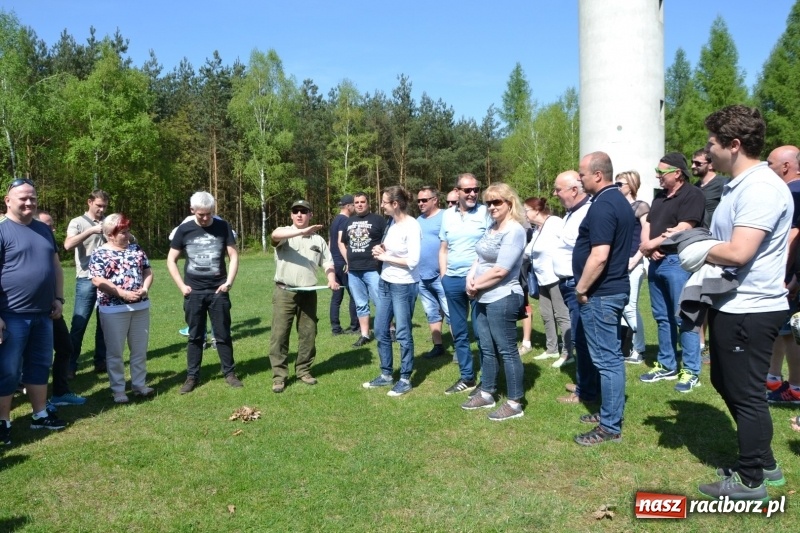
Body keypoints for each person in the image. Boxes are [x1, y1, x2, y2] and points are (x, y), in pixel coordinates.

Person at [698, 105, 792, 500]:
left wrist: (697, 247)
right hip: (732, 303)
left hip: (752, 308)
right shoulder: (741, 185)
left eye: (712, 143)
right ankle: (765, 462)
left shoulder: (761, 188)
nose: (707, 150)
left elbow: (739, 252)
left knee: (747, 393)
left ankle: (752, 479)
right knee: (726, 381)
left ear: (734, 145)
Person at [572, 152, 634, 446]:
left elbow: (599, 256)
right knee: (608, 358)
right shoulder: (617, 201)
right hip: (612, 289)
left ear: (598, 175)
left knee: (608, 361)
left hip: (601, 293)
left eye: (582, 174)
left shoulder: (604, 206)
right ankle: (608, 413)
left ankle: (610, 426)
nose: (580, 179)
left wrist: (582, 289)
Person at [0, 179, 67, 446]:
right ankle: (3, 422)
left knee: (40, 366)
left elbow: (56, 266)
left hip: (43, 313)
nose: (29, 203)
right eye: (22, 198)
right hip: (11, 314)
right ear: (7, 200)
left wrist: (59, 298)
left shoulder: (43, 229)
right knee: (7, 371)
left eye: (33, 198)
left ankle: (39, 415)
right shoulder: (2, 230)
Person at [459, 183, 527, 420]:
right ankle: (487, 392)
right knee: (486, 348)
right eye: (488, 202)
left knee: (507, 350)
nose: (491, 207)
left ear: (510, 203)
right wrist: (470, 278)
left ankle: (515, 402)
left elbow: (501, 270)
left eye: (497, 202)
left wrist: (476, 285)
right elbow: (479, 258)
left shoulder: (514, 231)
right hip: (483, 295)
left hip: (503, 296)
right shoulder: (493, 227)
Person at [638, 152, 705, 392]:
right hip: (656, 262)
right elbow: (647, 223)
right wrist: (649, 248)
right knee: (662, 316)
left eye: (662, 173)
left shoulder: (693, 194)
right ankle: (667, 365)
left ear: (677, 173)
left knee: (683, 316)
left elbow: (684, 228)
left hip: (678, 262)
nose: (658, 177)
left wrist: (653, 244)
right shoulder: (660, 198)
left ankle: (691, 370)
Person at [167, 191, 241, 394]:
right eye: (201, 215)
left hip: (219, 291)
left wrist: (228, 282)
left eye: (209, 213)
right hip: (194, 292)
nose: (206, 218)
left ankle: (230, 374)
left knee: (223, 334)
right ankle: (192, 377)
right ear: (192, 211)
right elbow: (171, 259)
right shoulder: (184, 229)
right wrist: (182, 286)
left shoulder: (223, 226)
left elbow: (233, 255)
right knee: (195, 336)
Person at [270, 200, 339, 393]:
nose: (299, 214)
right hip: (285, 292)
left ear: (310, 215)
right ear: (291, 215)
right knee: (279, 335)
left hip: (309, 293)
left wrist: (331, 278)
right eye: (295, 211)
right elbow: (275, 236)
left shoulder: (319, 240)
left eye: (304, 211)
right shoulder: (286, 233)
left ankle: (303, 370)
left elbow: (328, 263)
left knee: (308, 334)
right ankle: (279, 377)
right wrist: (302, 232)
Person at [89, 213, 154, 404]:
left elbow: (147, 271)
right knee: (115, 351)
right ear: (110, 235)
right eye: (122, 232)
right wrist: (122, 293)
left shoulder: (136, 249)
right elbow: (97, 280)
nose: (127, 235)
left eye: (127, 231)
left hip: (140, 306)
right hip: (113, 309)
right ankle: (118, 389)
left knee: (139, 349)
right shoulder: (100, 253)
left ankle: (139, 385)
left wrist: (144, 289)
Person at [363, 186, 421, 396]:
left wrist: (385, 257)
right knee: (380, 330)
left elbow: (413, 261)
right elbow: (392, 250)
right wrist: (381, 249)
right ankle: (386, 374)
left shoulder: (412, 226)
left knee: (403, 332)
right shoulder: (392, 224)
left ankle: (405, 378)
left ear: (395, 204)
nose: (381, 205)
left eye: (384, 202)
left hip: (403, 286)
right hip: (385, 283)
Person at [440, 173, 491, 395]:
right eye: (467, 190)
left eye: (476, 189)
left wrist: (478, 276)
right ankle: (467, 377)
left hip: (478, 281)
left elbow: (490, 247)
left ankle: (487, 379)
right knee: (459, 332)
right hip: (452, 280)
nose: (472, 193)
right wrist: (444, 276)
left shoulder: (485, 213)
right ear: (457, 191)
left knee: (481, 332)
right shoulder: (447, 216)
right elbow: (443, 248)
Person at [37, 212, 87, 407]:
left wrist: (58, 298)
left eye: (52, 225)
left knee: (65, 346)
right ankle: (35, 399)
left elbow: (56, 268)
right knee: (35, 355)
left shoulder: (48, 240)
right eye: (47, 225)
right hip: (24, 308)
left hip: (51, 305)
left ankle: (60, 392)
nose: (52, 229)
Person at [552, 171, 593, 402]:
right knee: (580, 336)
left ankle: (585, 391)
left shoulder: (586, 212)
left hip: (578, 284)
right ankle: (584, 383)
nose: (555, 193)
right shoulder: (573, 212)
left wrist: (581, 287)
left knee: (582, 338)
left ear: (574, 190)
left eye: (558, 189)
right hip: (569, 284)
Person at [764, 145, 800, 400]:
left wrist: (783, 274)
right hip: (791, 275)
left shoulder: (793, 192)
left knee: (793, 332)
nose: (767, 169)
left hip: (790, 276)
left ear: (785, 166)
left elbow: (793, 235)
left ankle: (796, 387)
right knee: (782, 329)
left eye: (770, 163)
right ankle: (774, 378)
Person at [65, 190, 109, 375]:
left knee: (105, 323)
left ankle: (101, 362)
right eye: (99, 205)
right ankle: (70, 365)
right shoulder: (77, 222)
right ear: (89, 202)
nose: (101, 209)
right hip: (86, 278)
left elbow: (128, 239)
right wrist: (91, 230)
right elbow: (68, 245)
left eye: (105, 206)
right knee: (79, 323)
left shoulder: (109, 221)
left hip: (108, 280)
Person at [525, 198, 571, 366]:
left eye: (526, 211)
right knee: (546, 314)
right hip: (541, 278)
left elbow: (568, 243)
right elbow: (528, 250)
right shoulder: (537, 229)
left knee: (562, 315)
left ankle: (568, 353)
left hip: (556, 277)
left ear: (536, 210)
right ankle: (551, 349)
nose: (525, 215)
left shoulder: (554, 223)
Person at [340, 192, 386, 347]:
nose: (359, 204)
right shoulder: (349, 222)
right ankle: (365, 334)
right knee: (360, 303)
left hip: (373, 268)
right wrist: (348, 261)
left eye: (362, 201)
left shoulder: (379, 220)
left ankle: (388, 329)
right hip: (354, 270)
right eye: (356, 202)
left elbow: (386, 242)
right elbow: (345, 243)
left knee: (380, 301)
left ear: (368, 203)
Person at [614, 171, 650, 364]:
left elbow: (646, 235)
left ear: (631, 185)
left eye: (620, 183)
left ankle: (639, 349)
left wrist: (636, 259)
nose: (617, 186)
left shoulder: (640, 206)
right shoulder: (617, 208)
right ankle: (624, 347)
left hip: (632, 262)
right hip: (617, 263)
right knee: (619, 306)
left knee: (630, 307)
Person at [416, 186, 449, 358]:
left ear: (435, 200)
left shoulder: (446, 217)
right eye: (419, 200)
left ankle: (459, 347)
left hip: (442, 275)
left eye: (424, 200)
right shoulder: (418, 220)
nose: (420, 203)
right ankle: (438, 346)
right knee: (431, 312)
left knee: (450, 312)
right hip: (422, 275)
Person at [329, 195, 359, 336]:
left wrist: (330, 261)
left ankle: (335, 328)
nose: (355, 207)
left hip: (334, 263)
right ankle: (355, 327)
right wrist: (348, 262)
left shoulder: (335, 220)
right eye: (354, 204)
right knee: (354, 295)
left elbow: (330, 242)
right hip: (343, 264)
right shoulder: (346, 221)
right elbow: (342, 244)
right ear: (348, 206)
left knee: (336, 298)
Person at [692, 148, 725, 229]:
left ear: (711, 165)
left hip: (714, 236)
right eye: (692, 162)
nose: (692, 166)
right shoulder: (694, 188)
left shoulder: (723, 184)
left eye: (697, 163)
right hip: (697, 235)